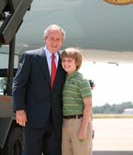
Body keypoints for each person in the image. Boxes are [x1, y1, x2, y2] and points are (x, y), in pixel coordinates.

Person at [12, 24, 66, 155]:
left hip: (56, 120)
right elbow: (19, 85)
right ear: (45, 39)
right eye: (51, 38)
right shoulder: (30, 57)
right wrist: (19, 109)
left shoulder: (64, 60)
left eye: (58, 39)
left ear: (62, 41)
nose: (55, 42)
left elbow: (68, 81)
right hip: (33, 118)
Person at [61, 48, 93, 155]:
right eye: (64, 60)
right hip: (64, 123)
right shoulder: (62, 80)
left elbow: (88, 105)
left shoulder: (82, 80)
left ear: (77, 62)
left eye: (69, 60)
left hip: (79, 122)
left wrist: (83, 129)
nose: (66, 63)